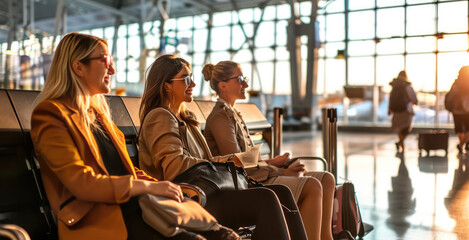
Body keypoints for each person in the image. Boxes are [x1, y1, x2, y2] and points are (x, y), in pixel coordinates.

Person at [30, 32, 238, 240]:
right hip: (97, 220)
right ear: (78, 67)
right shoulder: (50, 115)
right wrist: (150, 185)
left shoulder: (99, 117)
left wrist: (165, 187)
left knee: (222, 234)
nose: (112, 69)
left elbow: (126, 171)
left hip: (132, 209)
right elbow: (82, 183)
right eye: (105, 61)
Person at [137, 54, 306, 240]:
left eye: (192, 77)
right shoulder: (160, 116)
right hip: (188, 198)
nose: (193, 84)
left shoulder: (185, 119)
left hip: (204, 192)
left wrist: (225, 161)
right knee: (266, 200)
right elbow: (174, 166)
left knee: (281, 192)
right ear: (166, 84)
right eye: (186, 79)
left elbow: (202, 162)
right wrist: (221, 163)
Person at [201, 61, 336, 240]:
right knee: (312, 186)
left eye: (245, 79)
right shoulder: (220, 117)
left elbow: (246, 160)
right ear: (222, 85)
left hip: (257, 174)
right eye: (240, 79)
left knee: (327, 179)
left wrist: (273, 162)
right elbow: (238, 165)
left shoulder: (232, 113)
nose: (246, 85)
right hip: (246, 183)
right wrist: (280, 171)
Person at [447, 66, 469, 152]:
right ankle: (462, 144)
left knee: (460, 129)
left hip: (457, 109)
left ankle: (461, 144)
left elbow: (450, 95)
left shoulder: (456, 84)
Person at [388, 70, 418, 153]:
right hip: (406, 110)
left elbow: (390, 99)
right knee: (407, 127)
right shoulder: (407, 87)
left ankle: (401, 142)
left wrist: (389, 109)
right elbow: (414, 99)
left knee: (400, 128)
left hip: (396, 110)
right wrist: (414, 102)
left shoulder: (394, 87)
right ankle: (401, 142)